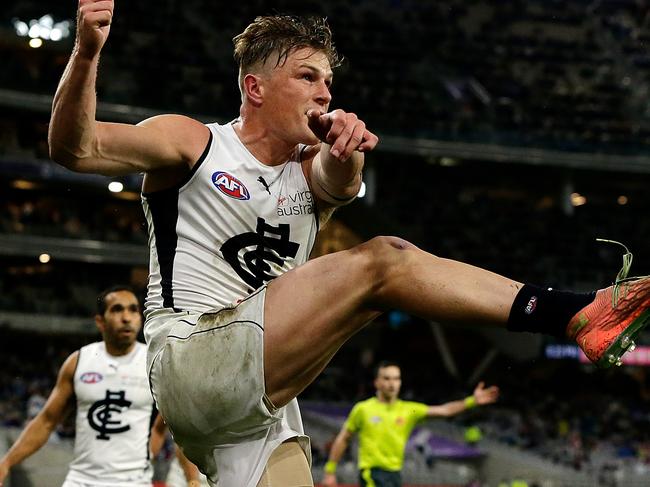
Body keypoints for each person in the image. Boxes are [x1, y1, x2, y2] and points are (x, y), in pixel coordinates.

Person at [47, 2, 650, 486]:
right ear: (255, 88)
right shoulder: (195, 143)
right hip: (192, 355)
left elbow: (339, 181)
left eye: (328, 81)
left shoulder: (310, 173)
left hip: (259, 397)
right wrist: (86, 52)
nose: (324, 92)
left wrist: (346, 152)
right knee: (382, 261)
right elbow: (76, 149)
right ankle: (571, 311)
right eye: (307, 77)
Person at [0, 286, 163, 487]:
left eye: (133, 310)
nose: (127, 317)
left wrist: (188, 477)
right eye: (117, 309)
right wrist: (6, 462)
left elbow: (170, 426)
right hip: (82, 480)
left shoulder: (154, 363)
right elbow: (46, 421)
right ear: (100, 321)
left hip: (134, 482)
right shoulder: (78, 361)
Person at [322, 361, 498, 487]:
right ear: (377, 382)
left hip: (395, 474)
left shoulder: (408, 410)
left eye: (396, 379)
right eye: (387, 378)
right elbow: (344, 438)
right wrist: (330, 470)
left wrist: (471, 401)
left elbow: (445, 410)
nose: (392, 383)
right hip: (372, 473)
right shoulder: (363, 409)